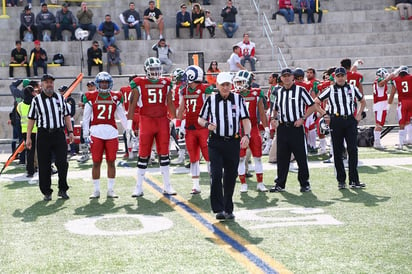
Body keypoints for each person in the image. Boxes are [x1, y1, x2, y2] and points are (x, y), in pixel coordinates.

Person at [198, 72, 251, 220]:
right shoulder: (211, 100)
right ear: (217, 86)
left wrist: (247, 135)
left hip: (233, 142)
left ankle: (228, 208)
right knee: (216, 175)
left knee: (230, 176)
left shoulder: (239, 99)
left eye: (228, 84)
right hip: (216, 141)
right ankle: (218, 208)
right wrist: (208, 124)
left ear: (231, 85)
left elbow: (245, 119)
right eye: (223, 85)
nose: (226, 87)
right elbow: (201, 119)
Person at [126, 57, 177, 197]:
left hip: (162, 121)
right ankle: (138, 187)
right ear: (146, 70)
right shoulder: (139, 83)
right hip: (146, 120)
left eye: (157, 69)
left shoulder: (166, 82)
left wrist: (176, 121)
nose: (155, 72)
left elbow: (170, 103)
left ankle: (167, 186)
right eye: (152, 69)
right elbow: (132, 104)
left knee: (164, 153)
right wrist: (129, 125)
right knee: (143, 153)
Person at [315, 67, 367, 190]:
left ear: (345, 76)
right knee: (338, 151)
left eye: (342, 75)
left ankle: (354, 180)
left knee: (352, 150)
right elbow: (316, 102)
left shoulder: (352, 88)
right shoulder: (330, 90)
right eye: (338, 76)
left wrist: (359, 114)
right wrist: (325, 114)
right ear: (335, 77)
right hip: (336, 121)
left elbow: (363, 101)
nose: (340, 78)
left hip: (349, 120)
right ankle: (341, 181)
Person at [26, 74, 74, 201]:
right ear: (41, 85)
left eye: (51, 82)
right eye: (46, 82)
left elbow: (67, 115)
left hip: (58, 133)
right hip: (43, 134)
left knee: (62, 162)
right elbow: (31, 119)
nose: (49, 84)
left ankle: (62, 189)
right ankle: (47, 191)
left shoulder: (60, 98)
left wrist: (70, 131)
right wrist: (28, 137)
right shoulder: (36, 101)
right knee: (44, 164)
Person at [269, 68, 317, 193]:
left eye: (288, 75)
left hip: (296, 127)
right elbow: (275, 108)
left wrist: (303, 118)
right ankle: (280, 184)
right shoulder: (278, 91)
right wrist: (274, 118)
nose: (286, 78)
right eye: (284, 76)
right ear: (281, 78)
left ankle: (304, 183)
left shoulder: (300, 90)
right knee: (282, 157)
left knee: (301, 157)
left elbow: (312, 106)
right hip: (283, 127)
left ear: (292, 77)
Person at [82, 72, 128, 199]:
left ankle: (110, 189)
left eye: (106, 82)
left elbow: (121, 115)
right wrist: (86, 133)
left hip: (112, 133)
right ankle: (96, 190)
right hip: (96, 132)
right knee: (96, 162)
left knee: (111, 162)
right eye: (102, 82)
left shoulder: (116, 96)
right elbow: (86, 118)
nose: (103, 84)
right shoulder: (90, 96)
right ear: (98, 83)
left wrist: (128, 130)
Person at [177, 65, 213, 194]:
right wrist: (178, 125)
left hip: (203, 127)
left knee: (209, 155)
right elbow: (181, 109)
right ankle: (196, 184)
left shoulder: (205, 89)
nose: (185, 79)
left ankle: (213, 181)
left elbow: (211, 107)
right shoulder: (184, 91)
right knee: (193, 157)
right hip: (189, 128)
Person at [232, 70, 269, 193]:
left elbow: (262, 113)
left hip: (253, 128)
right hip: (239, 129)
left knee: (258, 157)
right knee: (241, 158)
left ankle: (260, 183)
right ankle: (243, 184)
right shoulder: (233, 95)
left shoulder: (256, 93)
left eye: (241, 82)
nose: (238, 84)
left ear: (247, 82)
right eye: (237, 82)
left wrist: (267, 128)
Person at [17, 85, 39, 178]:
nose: (35, 93)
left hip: (24, 131)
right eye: (33, 91)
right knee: (40, 151)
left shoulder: (20, 105)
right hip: (35, 130)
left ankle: (30, 171)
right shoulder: (35, 103)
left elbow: (19, 115)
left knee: (29, 151)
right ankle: (45, 168)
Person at [388, 66, 412, 149]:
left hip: (403, 102)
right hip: (411, 101)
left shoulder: (396, 80)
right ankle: (410, 139)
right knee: (408, 121)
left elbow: (392, 93)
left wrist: (389, 103)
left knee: (402, 122)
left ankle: (401, 143)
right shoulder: (411, 77)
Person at [120, 75, 139, 159]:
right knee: (142, 133)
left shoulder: (123, 89)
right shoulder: (139, 89)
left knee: (127, 133)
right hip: (139, 114)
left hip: (129, 114)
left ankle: (128, 152)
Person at [372, 68, 391, 149]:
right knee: (379, 124)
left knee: (380, 123)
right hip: (380, 104)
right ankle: (377, 143)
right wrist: (390, 76)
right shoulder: (379, 81)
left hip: (381, 104)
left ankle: (377, 142)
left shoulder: (378, 81)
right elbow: (382, 83)